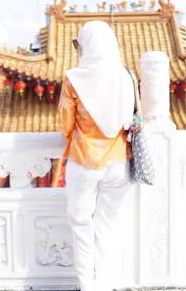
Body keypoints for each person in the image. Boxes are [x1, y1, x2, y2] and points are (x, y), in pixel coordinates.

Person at [58, 21, 138, 291]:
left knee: (81, 225)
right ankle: (107, 284)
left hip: (84, 160)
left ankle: (88, 286)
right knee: (109, 225)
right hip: (118, 160)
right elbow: (130, 117)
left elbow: (65, 124)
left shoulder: (73, 79)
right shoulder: (125, 75)